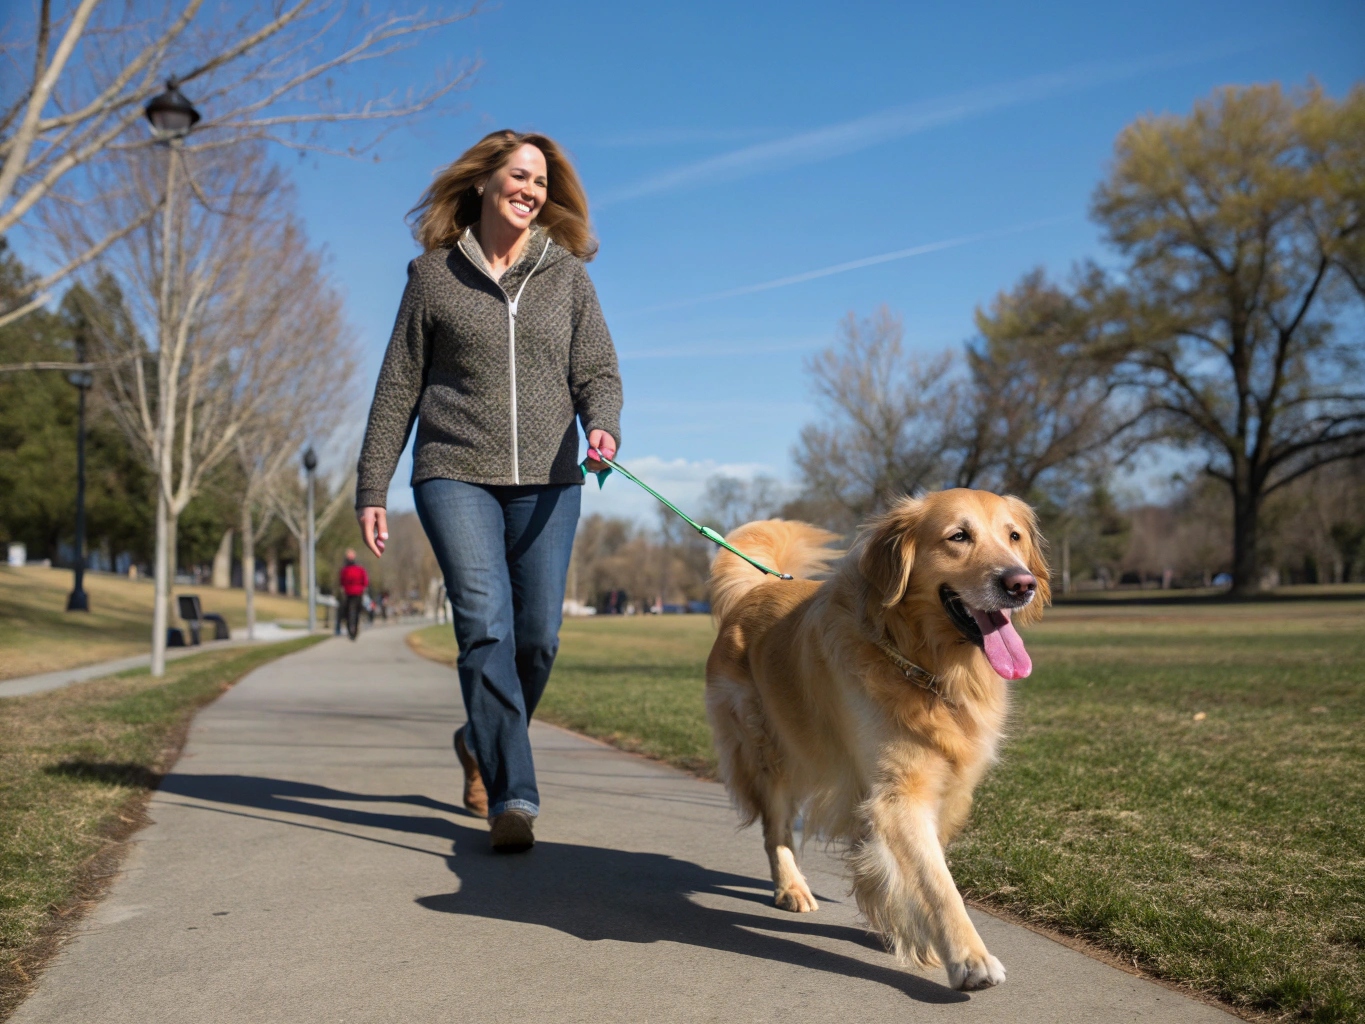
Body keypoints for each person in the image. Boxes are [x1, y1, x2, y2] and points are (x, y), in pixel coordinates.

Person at [354, 130, 622, 854]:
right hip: (454, 472)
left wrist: (602, 427)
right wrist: (371, 485)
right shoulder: (433, 276)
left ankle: (478, 741)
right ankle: (514, 794)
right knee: (486, 627)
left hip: (549, 478)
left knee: (537, 637)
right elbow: (396, 388)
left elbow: (597, 369)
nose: (531, 190)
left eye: (540, 181)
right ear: (481, 183)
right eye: (519, 176)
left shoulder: (565, 275)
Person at [338, 550, 368, 641]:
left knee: (348, 612)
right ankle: (353, 630)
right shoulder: (358, 569)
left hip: (351, 593)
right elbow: (365, 581)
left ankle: (351, 630)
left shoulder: (345, 570)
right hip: (355, 593)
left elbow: (342, 582)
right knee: (356, 612)